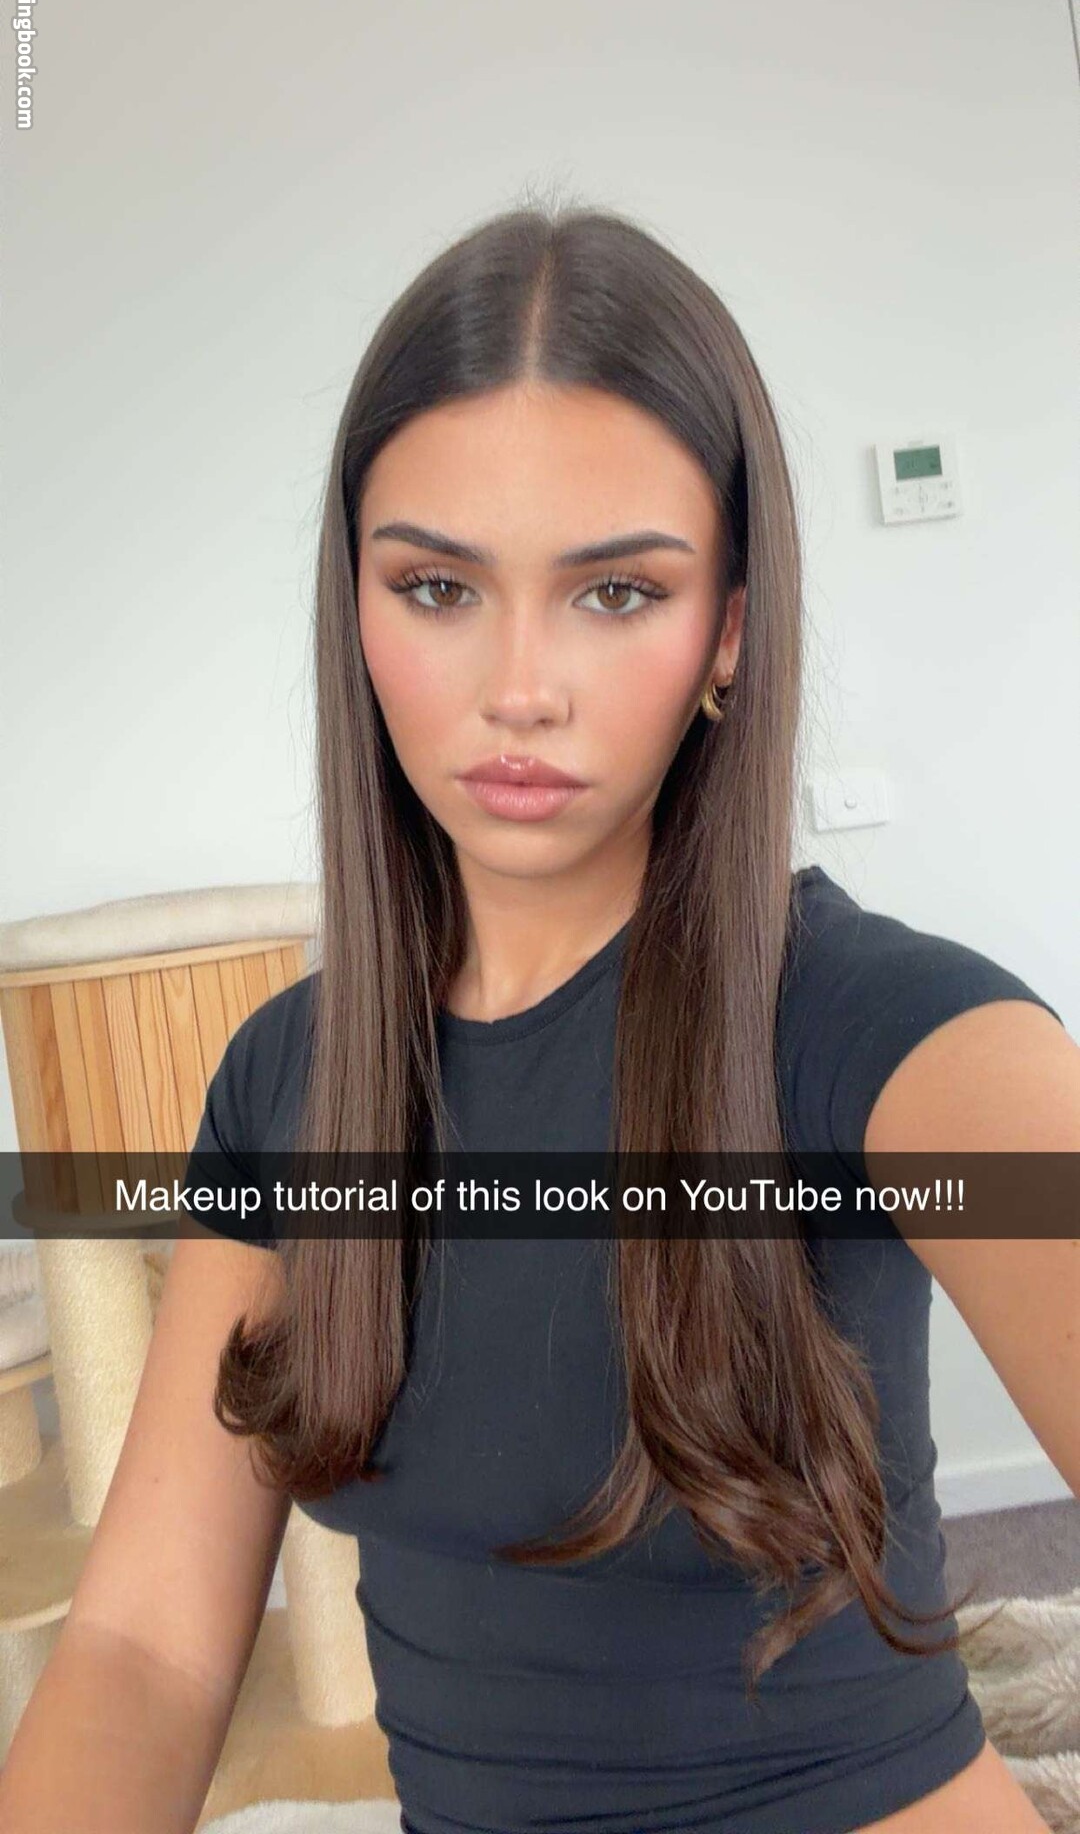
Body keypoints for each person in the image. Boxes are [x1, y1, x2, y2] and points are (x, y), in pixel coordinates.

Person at [3, 200, 1077, 1834]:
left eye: (616, 592)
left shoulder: (902, 1036)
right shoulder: (289, 1080)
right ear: (356, 612)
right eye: (438, 585)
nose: (520, 688)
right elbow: (142, 1649)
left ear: (728, 627)